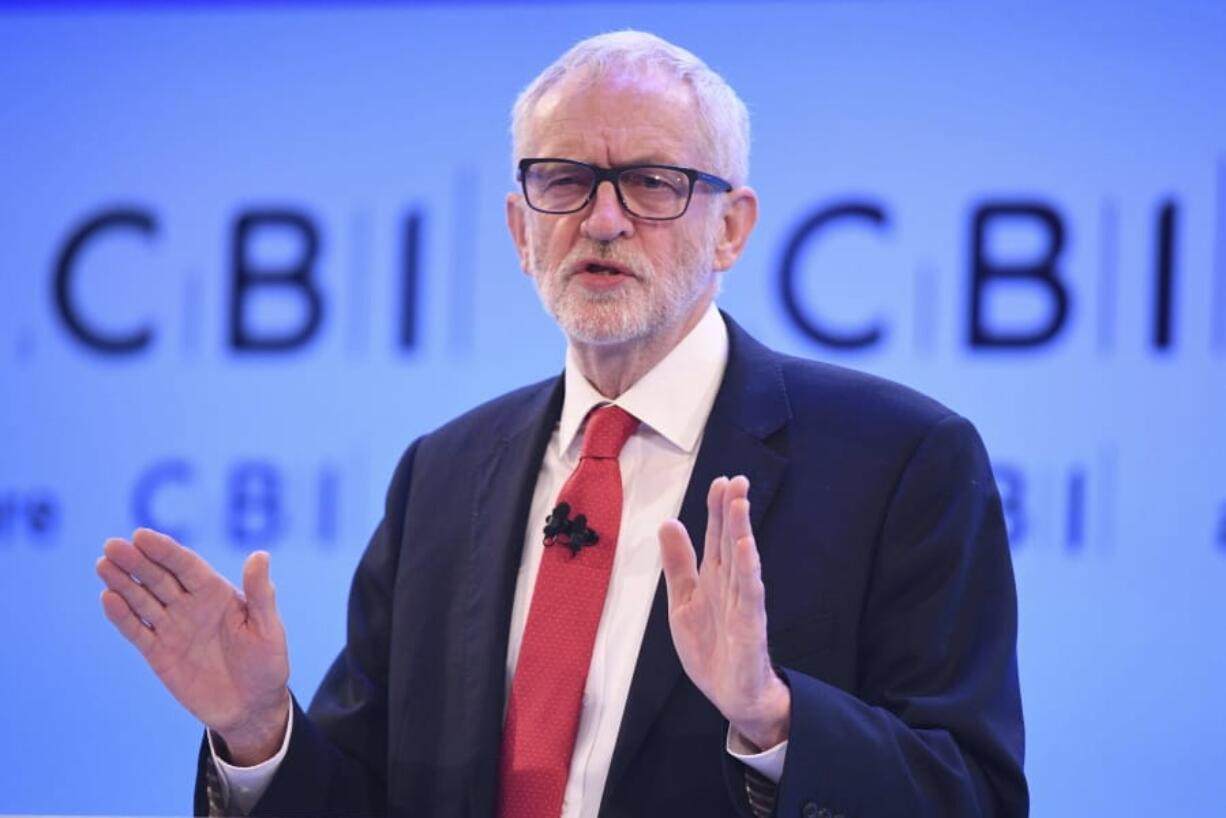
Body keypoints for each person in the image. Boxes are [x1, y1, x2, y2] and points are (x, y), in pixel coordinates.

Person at [96, 30, 1027, 818]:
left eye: (655, 183)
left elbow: (974, 793)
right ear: (518, 226)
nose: (605, 219)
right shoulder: (444, 476)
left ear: (732, 229)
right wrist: (258, 731)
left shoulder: (900, 459)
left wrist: (774, 719)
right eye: (565, 181)